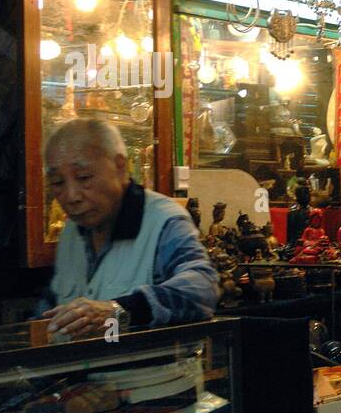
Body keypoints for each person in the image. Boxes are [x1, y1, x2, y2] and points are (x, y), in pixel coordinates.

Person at [38, 118, 219, 337]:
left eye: (84, 177)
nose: (71, 196)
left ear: (120, 166)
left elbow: (202, 290)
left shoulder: (162, 220)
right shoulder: (71, 232)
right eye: (58, 182)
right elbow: (49, 310)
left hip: (154, 371)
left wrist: (120, 311)